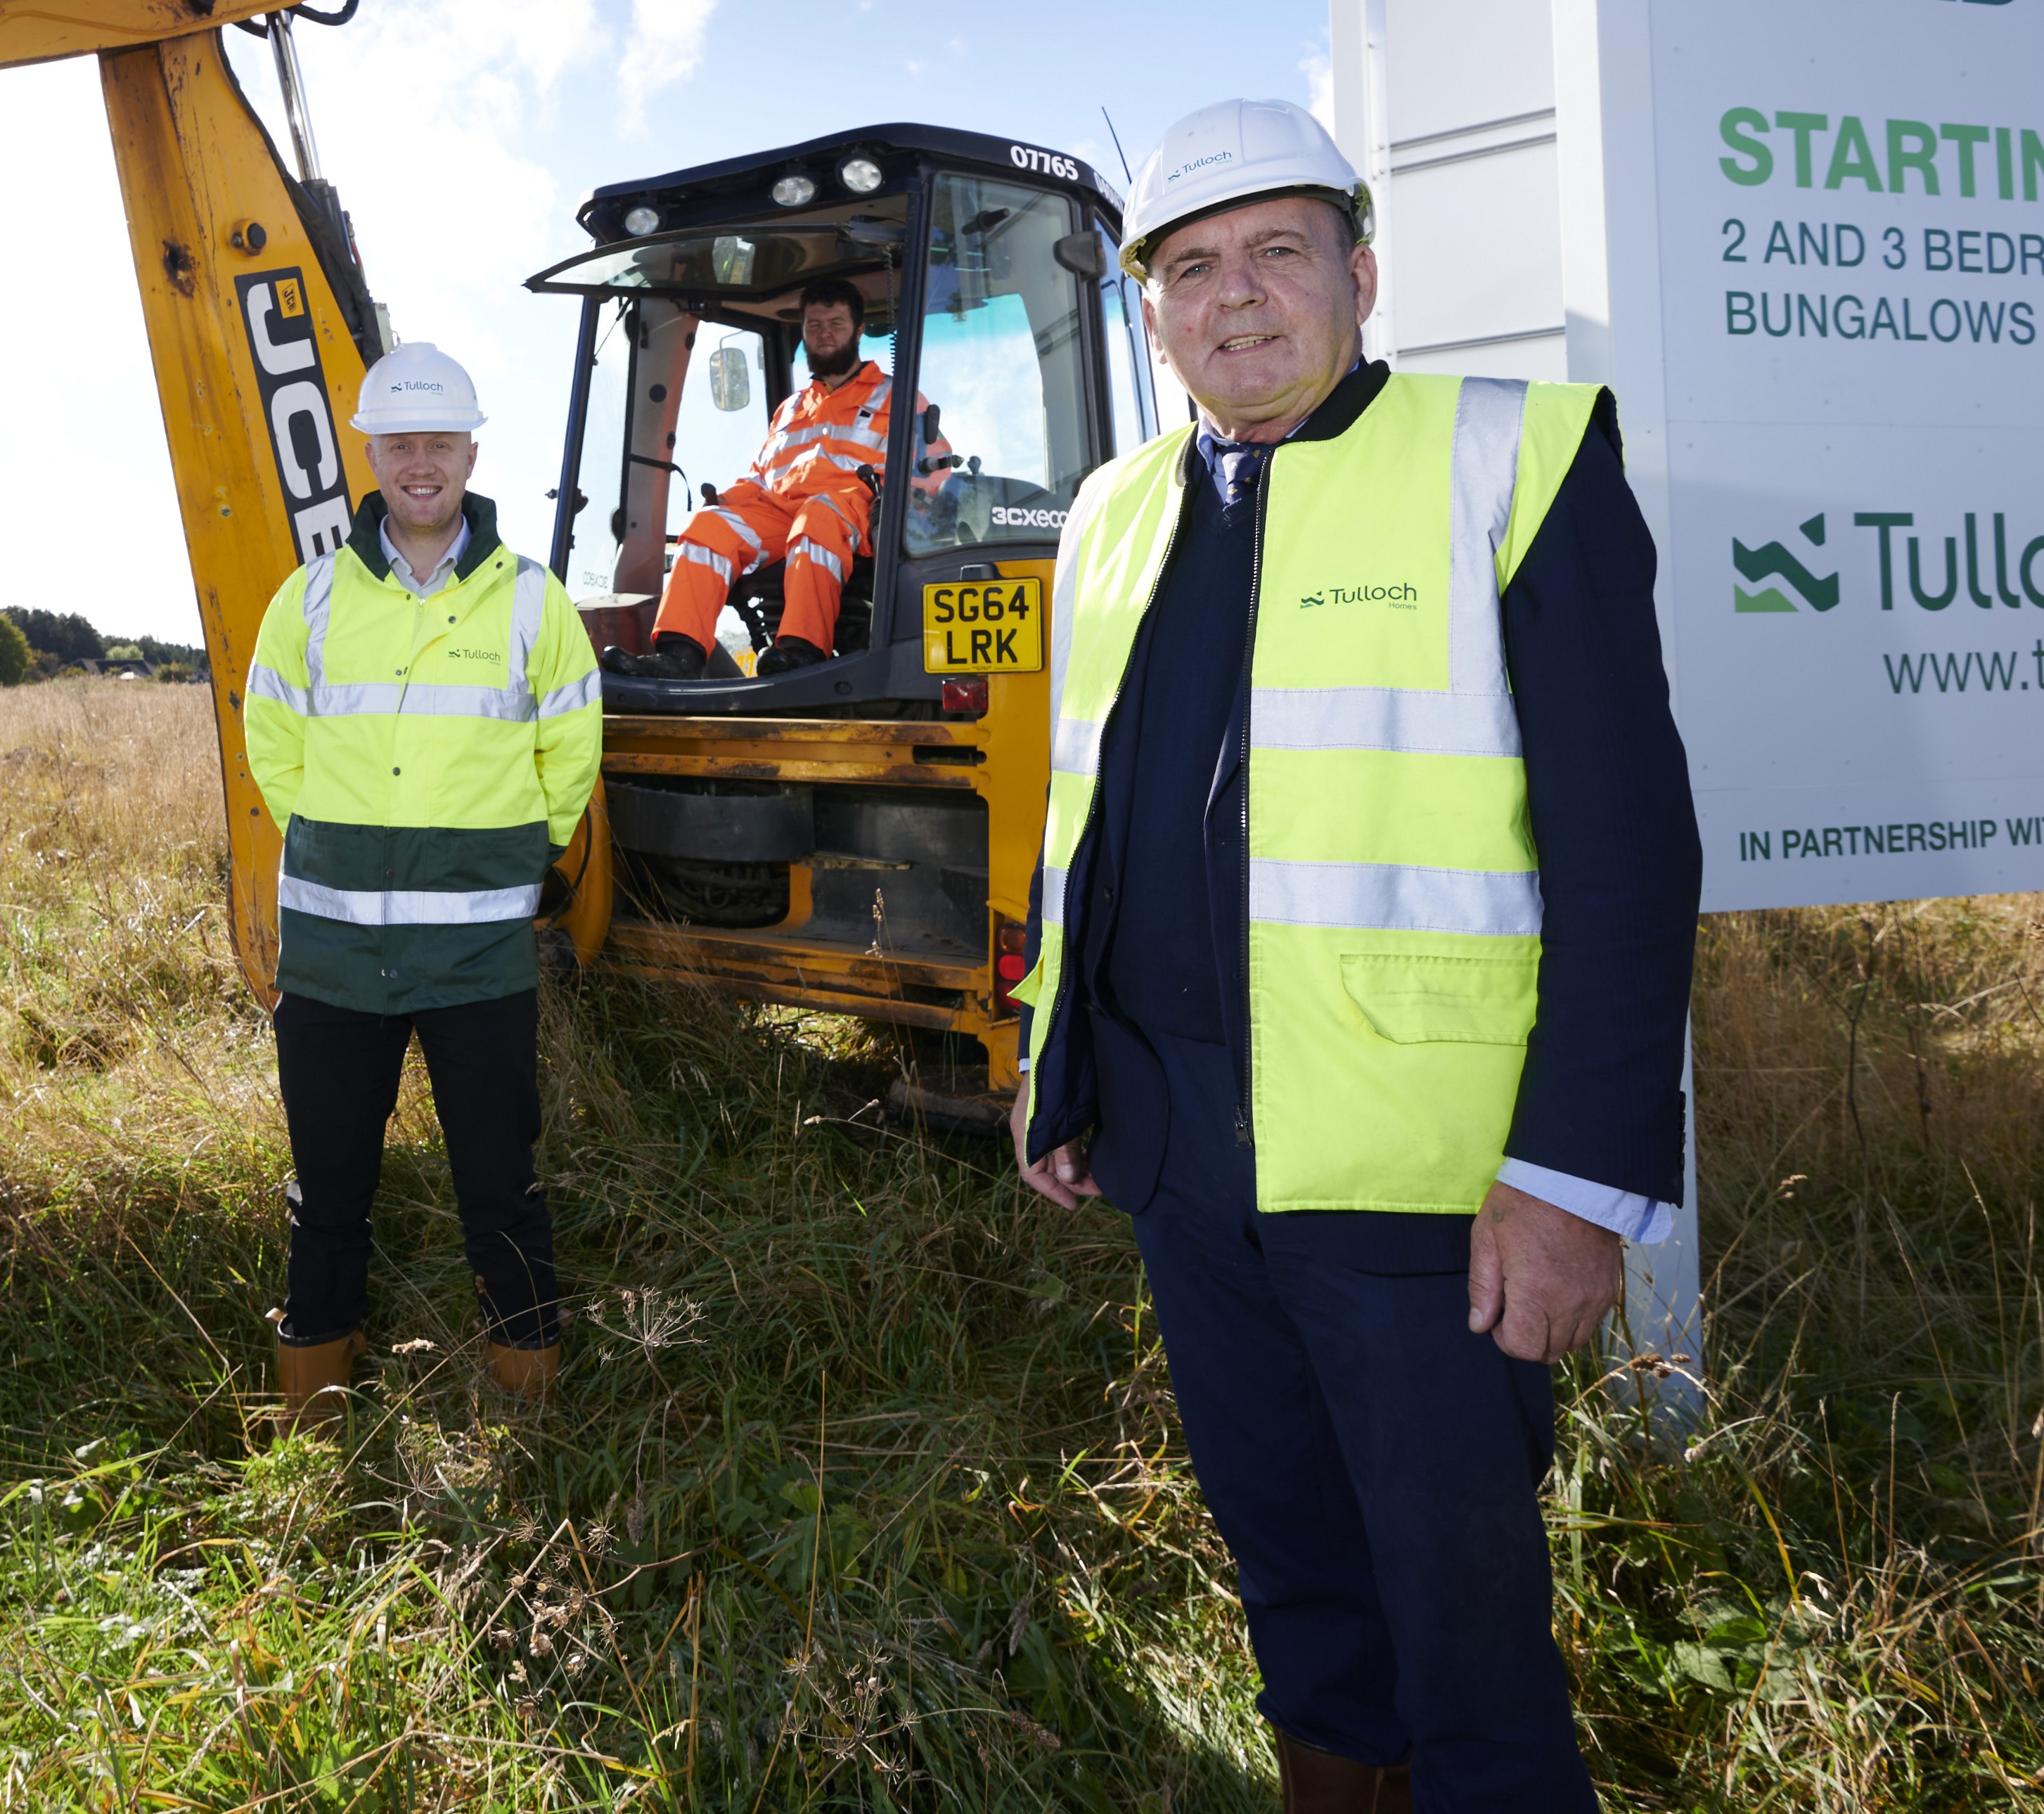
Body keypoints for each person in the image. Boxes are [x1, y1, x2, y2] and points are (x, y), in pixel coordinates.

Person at [1006, 98, 1697, 1810]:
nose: (1232, 299)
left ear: (1357, 274)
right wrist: (1056, 1071)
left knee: (1463, 1627)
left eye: (1273, 252)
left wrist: (1570, 1181)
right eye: (1188, 268)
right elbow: (1071, 817)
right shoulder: (1105, 511)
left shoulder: (1509, 456)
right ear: (1147, 312)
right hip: (1181, 1149)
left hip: (1428, 1186)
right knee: (1291, 1573)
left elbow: (1628, 855)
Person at [240, 341, 604, 1428]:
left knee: (500, 1185)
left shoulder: (534, 604)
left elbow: (568, 751)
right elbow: (276, 749)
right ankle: (317, 1419)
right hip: (335, 956)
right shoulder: (306, 600)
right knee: (327, 1192)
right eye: (399, 441)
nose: (419, 461)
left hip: (478, 960)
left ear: (470, 452)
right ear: (371, 453)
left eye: (438, 440)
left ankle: (529, 1409)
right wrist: (354, 847)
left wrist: (498, 864)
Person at [607, 278, 941, 678]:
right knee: (707, 527)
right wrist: (726, 502)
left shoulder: (897, 397)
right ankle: (679, 657)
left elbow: (932, 469)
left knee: (816, 515)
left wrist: (900, 503)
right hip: (782, 515)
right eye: (814, 325)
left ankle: (802, 651)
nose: (824, 334)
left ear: (858, 330)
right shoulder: (791, 409)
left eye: (836, 323)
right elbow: (761, 479)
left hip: (855, 513)